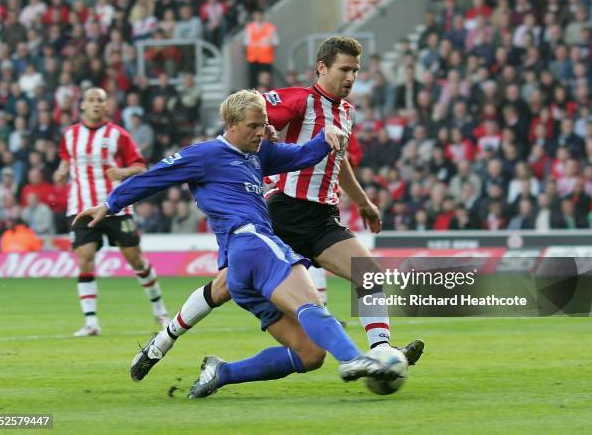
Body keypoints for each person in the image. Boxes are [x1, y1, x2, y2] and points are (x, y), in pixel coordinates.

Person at [131, 36, 425, 382]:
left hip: (321, 219)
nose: (350, 78)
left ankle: (380, 353)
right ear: (322, 68)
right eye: (344, 69)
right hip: (282, 211)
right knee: (224, 287)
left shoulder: (347, 113)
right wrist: (269, 128)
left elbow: (338, 160)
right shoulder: (300, 99)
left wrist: (362, 202)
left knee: (370, 275)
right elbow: (257, 117)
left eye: (355, 71)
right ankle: (162, 342)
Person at [74, 90, 398, 397]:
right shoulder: (205, 155)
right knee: (310, 304)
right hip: (252, 243)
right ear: (231, 125)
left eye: (264, 124)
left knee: (310, 354)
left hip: (239, 270)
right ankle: (354, 359)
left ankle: (221, 373)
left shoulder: (259, 154)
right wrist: (110, 204)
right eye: (253, 126)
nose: (262, 132)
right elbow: (153, 176)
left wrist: (325, 136)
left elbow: (301, 155)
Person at [53, 87, 170, 337]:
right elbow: (65, 162)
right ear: (82, 105)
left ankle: (161, 312)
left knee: (136, 260)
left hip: (116, 207)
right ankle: (91, 322)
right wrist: (60, 173)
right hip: (81, 208)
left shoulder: (118, 135)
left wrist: (123, 172)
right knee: (85, 258)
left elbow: (140, 166)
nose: (96, 104)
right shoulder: (69, 135)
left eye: (100, 101)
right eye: (91, 100)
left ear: (107, 106)